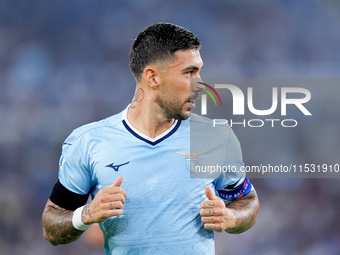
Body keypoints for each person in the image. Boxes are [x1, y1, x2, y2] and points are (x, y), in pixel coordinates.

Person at [42, 23, 259, 254]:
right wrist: (85, 215)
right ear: (152, 77)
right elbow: (51, 226)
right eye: (189, 73)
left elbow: (247, 202)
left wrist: (231, 217)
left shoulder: (215, 137)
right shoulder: (88, 142)